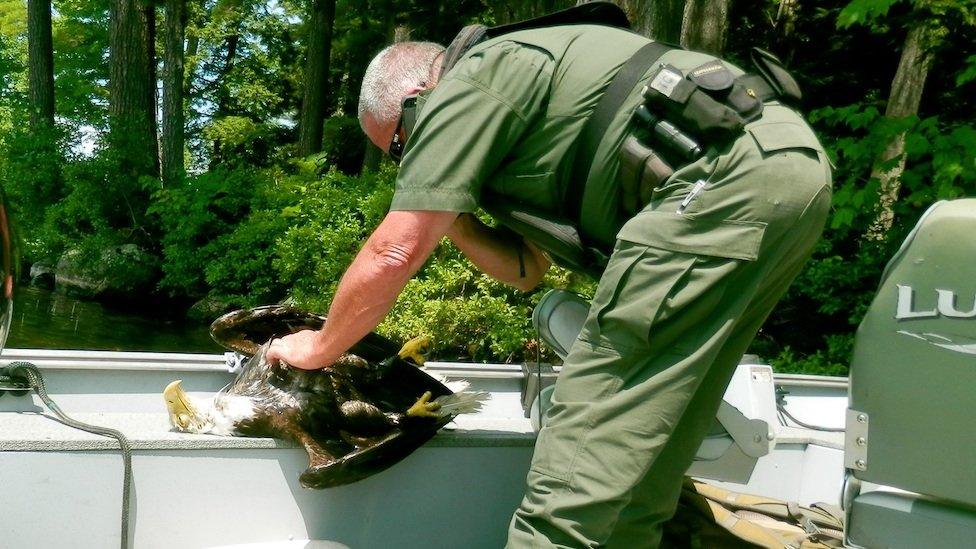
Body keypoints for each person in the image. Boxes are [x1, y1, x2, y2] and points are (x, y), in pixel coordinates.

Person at [267, 23, 832, 548]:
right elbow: (524, 270)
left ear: (418, 95)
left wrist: (320, 347)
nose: (408, 160)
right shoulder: (510, 101)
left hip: (717, 180)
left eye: (399, 146)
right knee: (650, 442)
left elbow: (393, 250)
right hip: (788, 174)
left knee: (578, 457)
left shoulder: (472, 81)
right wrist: (455, 217)